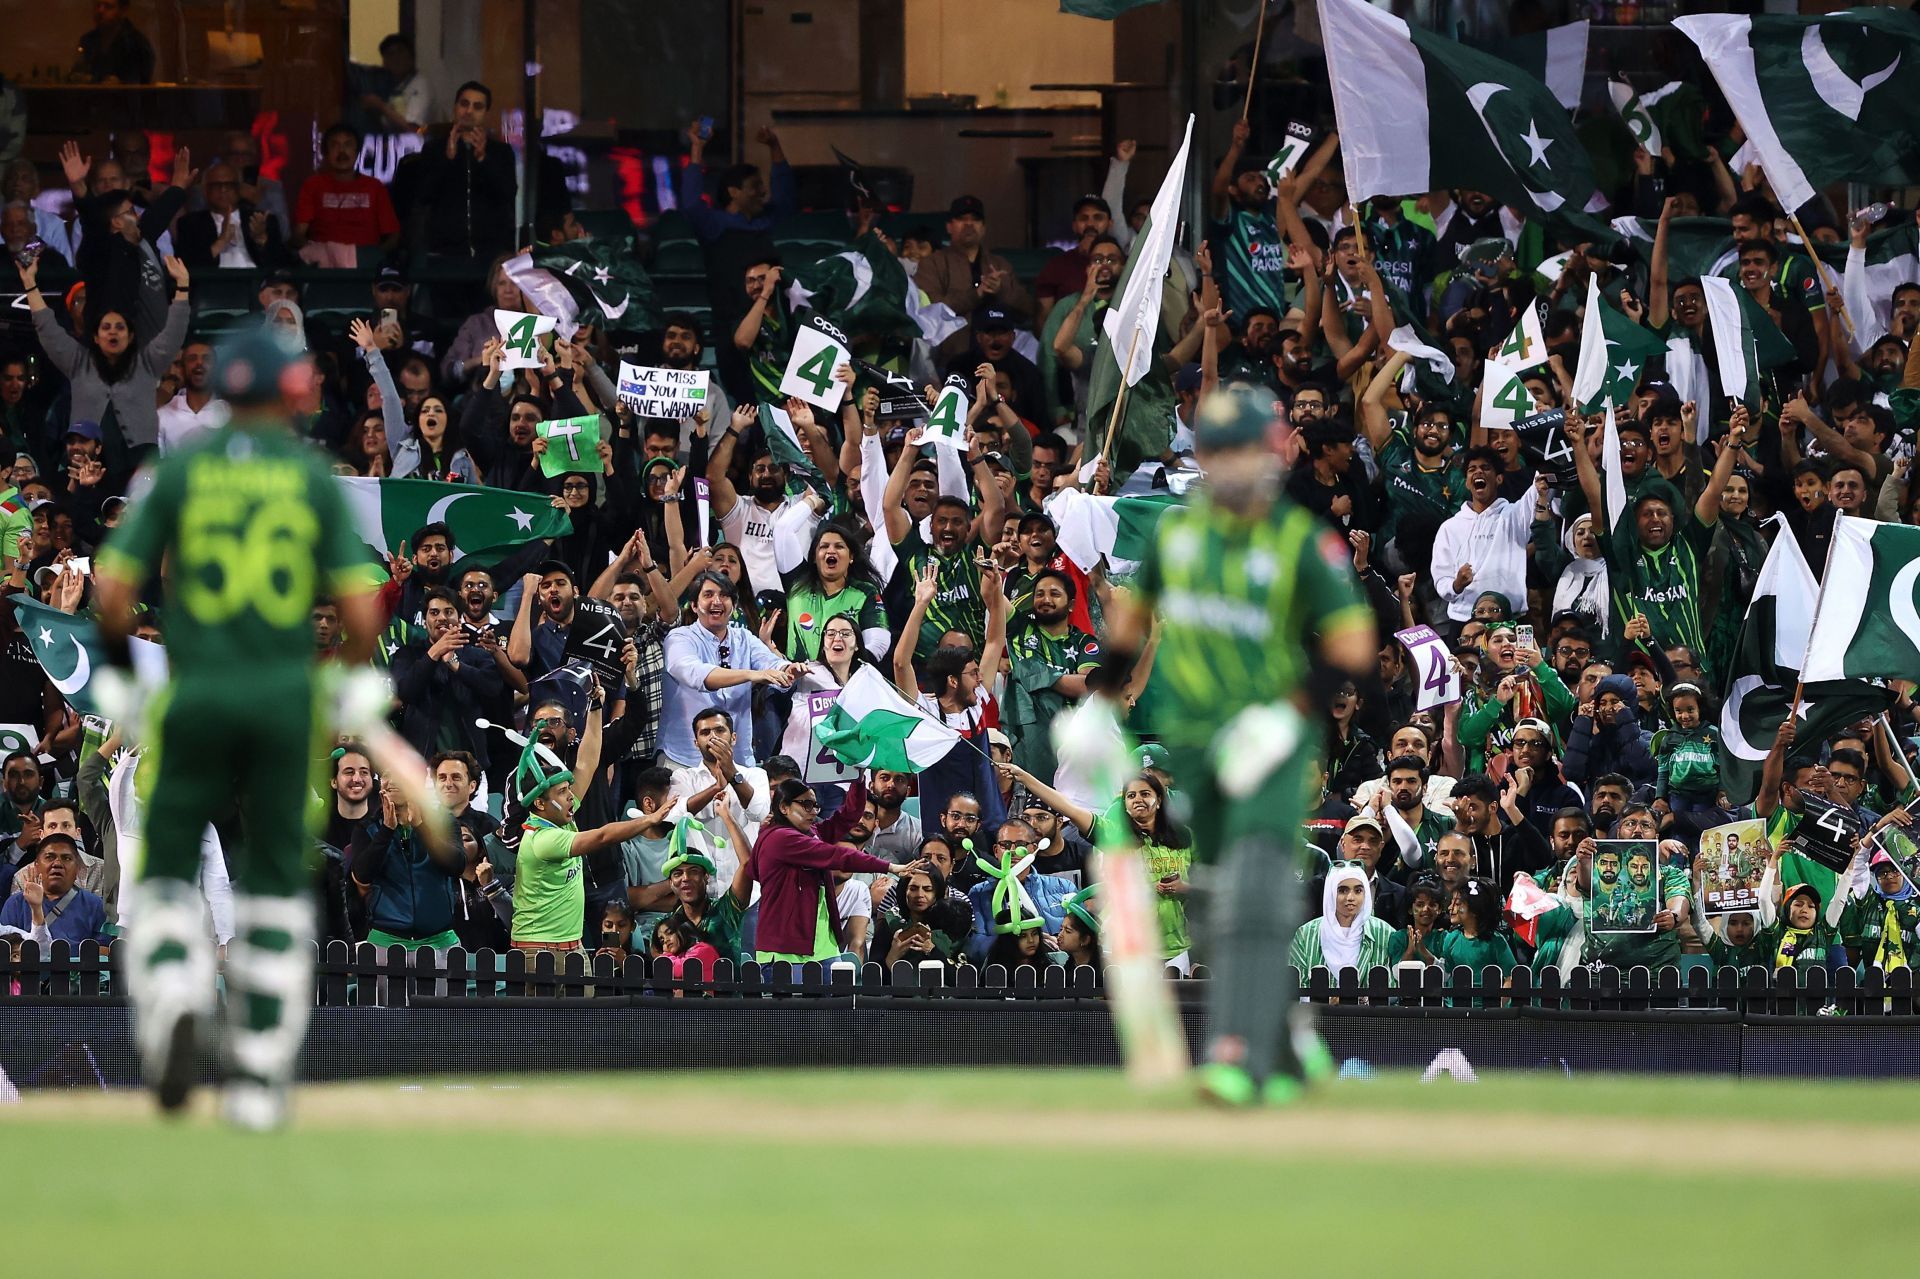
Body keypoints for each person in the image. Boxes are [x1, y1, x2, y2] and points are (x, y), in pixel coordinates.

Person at [91, 325, 385, 1130]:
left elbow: (113, 587)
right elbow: (362, 605)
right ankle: (256, 1071)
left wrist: (120, 676)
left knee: (162, 870)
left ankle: (178, 995)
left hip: (197, 696)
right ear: (291, 393)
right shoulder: (309, 476)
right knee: (270, 886)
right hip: (283, 702)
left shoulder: (181, 469)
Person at [1102, 386, 1377, 1107]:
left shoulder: (1299, 539)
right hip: (1197, 747)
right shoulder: (1177, 534)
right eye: (1215, 451)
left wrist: (1288, 713)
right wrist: (1099, 692)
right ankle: (1289, 1039)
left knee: (1253, 882)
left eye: (1242, 450)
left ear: (1276, 453)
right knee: (1221, 893)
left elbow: (1353, 642)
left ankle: (1231, 1054)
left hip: (1274, 743)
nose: (1228, 467)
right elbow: (1134, 616)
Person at [750, 778, 926, 964]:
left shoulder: (812, 833)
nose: (813, 812)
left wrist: (858, 780)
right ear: (784, 807)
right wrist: (889, 867)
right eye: (806, 805)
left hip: (823, 948)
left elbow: (848, 816)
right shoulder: (780, 838)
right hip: (785, 951)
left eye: (815, 806)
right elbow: (839, 855)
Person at [414, 81, 517, 262]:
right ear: (455, 107)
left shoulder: (500, 151)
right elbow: (424, 195)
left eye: (477, 107)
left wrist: (483, 159)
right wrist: (448, 159)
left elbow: (507, 194)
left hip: (490, 255)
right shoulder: (434, 148)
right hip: (444, 253)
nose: (469, 111)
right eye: (464, 104)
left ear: (486, 113)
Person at [1288, 862, 1395, 977]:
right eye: (1343, 891)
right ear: (1331, 892)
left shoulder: (1385, 933)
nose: (1350, 898)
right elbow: (1295, 984)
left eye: (1358, 891)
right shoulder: (1306, 935)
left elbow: (1394, 985)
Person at [75, 0, 156, 84]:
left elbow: (142, 83)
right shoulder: (88, 40)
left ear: (122, 10)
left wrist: (121, 83)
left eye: (108, 6)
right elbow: (78, 74)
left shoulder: (137, 43)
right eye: (98, 5)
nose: (100, 11)